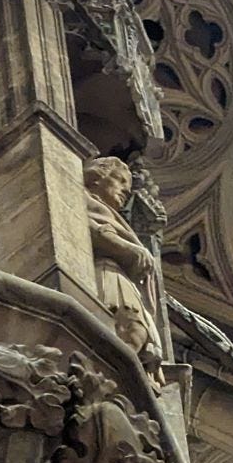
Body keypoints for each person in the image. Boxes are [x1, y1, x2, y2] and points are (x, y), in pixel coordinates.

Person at [84, 155, 162, 370]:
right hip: (106, 272)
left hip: (122, 275)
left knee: (135, 333)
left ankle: (111, 372)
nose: (125, 192)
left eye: (127, 190)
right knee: (128, 330)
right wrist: (128, 250)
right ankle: (103, 372)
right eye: (119, 181)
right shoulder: (83, 197)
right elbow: (88, 226)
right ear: (97, 177)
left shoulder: (110, 213)